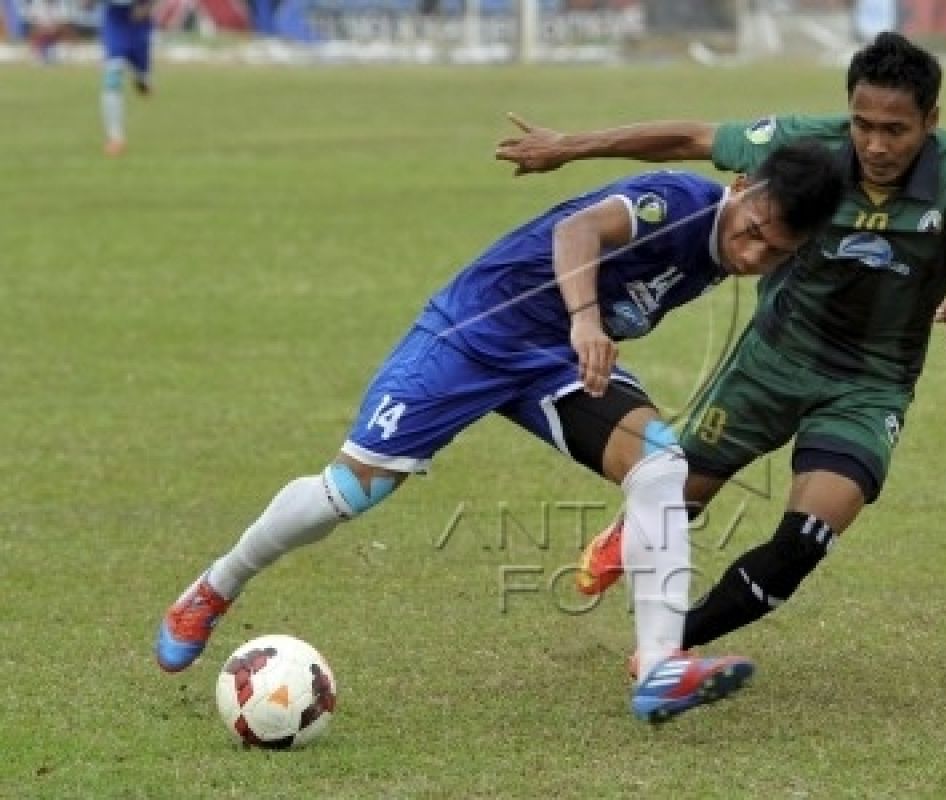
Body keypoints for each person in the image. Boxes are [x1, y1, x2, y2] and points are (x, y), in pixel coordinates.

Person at [154, 142, 846, 723]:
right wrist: (584, 319)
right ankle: (213, 588)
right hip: (473, 333)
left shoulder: (735, 251)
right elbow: (574, 233)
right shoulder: (682, 204)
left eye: (774, 250)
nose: (752, 252)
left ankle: (659, 667)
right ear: (739, 187)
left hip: (552, 362)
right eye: (751, 229)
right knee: (349, 492)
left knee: (661, 464)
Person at [495, 31, 946, 660]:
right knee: (669, 505)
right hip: (771, 362)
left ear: (931, 121)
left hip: (870, 388)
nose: (875, 144)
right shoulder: (813, 146)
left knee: (804, 543)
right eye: (863, 125)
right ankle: (628, 539)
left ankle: (669, 648)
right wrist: (570, 146)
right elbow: (693, 139)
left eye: (895, 130)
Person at [87, 0, 156, 155]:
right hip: (115, 22)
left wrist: (147, 7)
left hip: (138, 23)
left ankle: (142, 80)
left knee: (143, 78)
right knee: (112, 77)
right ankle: (116, 138)